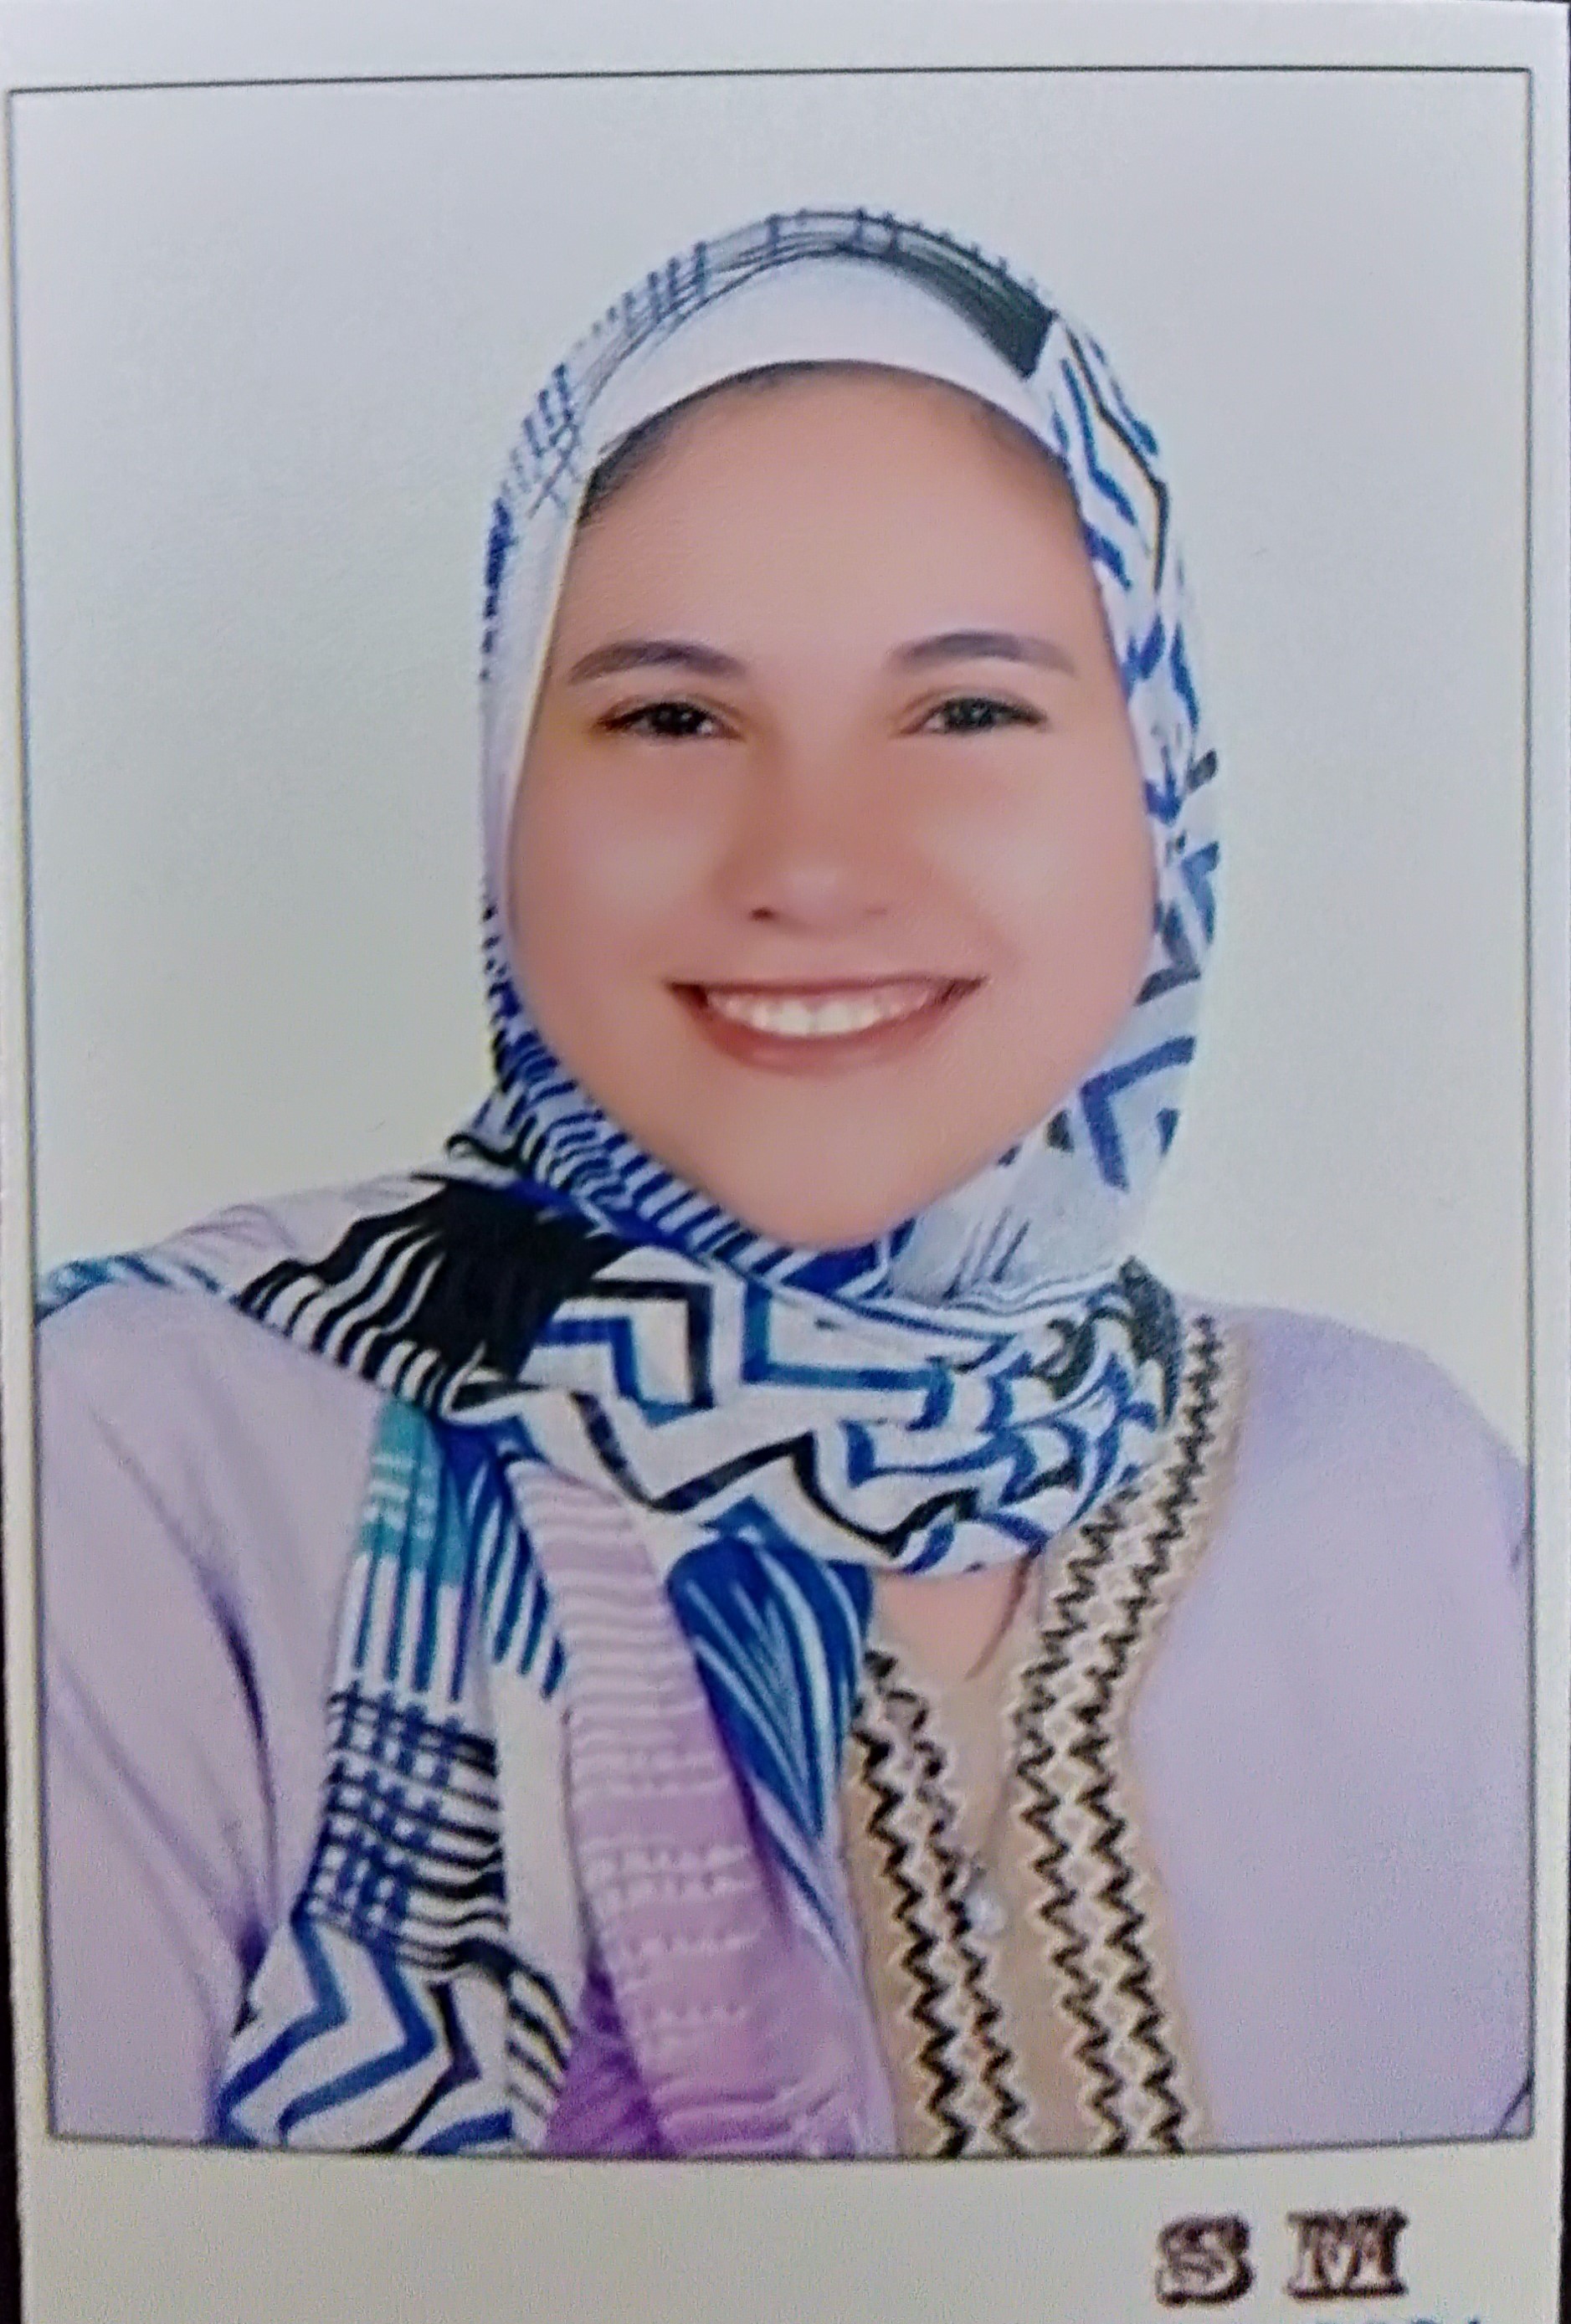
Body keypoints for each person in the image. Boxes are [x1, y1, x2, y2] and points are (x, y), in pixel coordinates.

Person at [36, 207, 1530, 2159]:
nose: (812, 863)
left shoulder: (1415, 1505)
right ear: (509, 794)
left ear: (1158, 791)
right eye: (672, 717)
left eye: (968, 710)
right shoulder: (148, 1465)